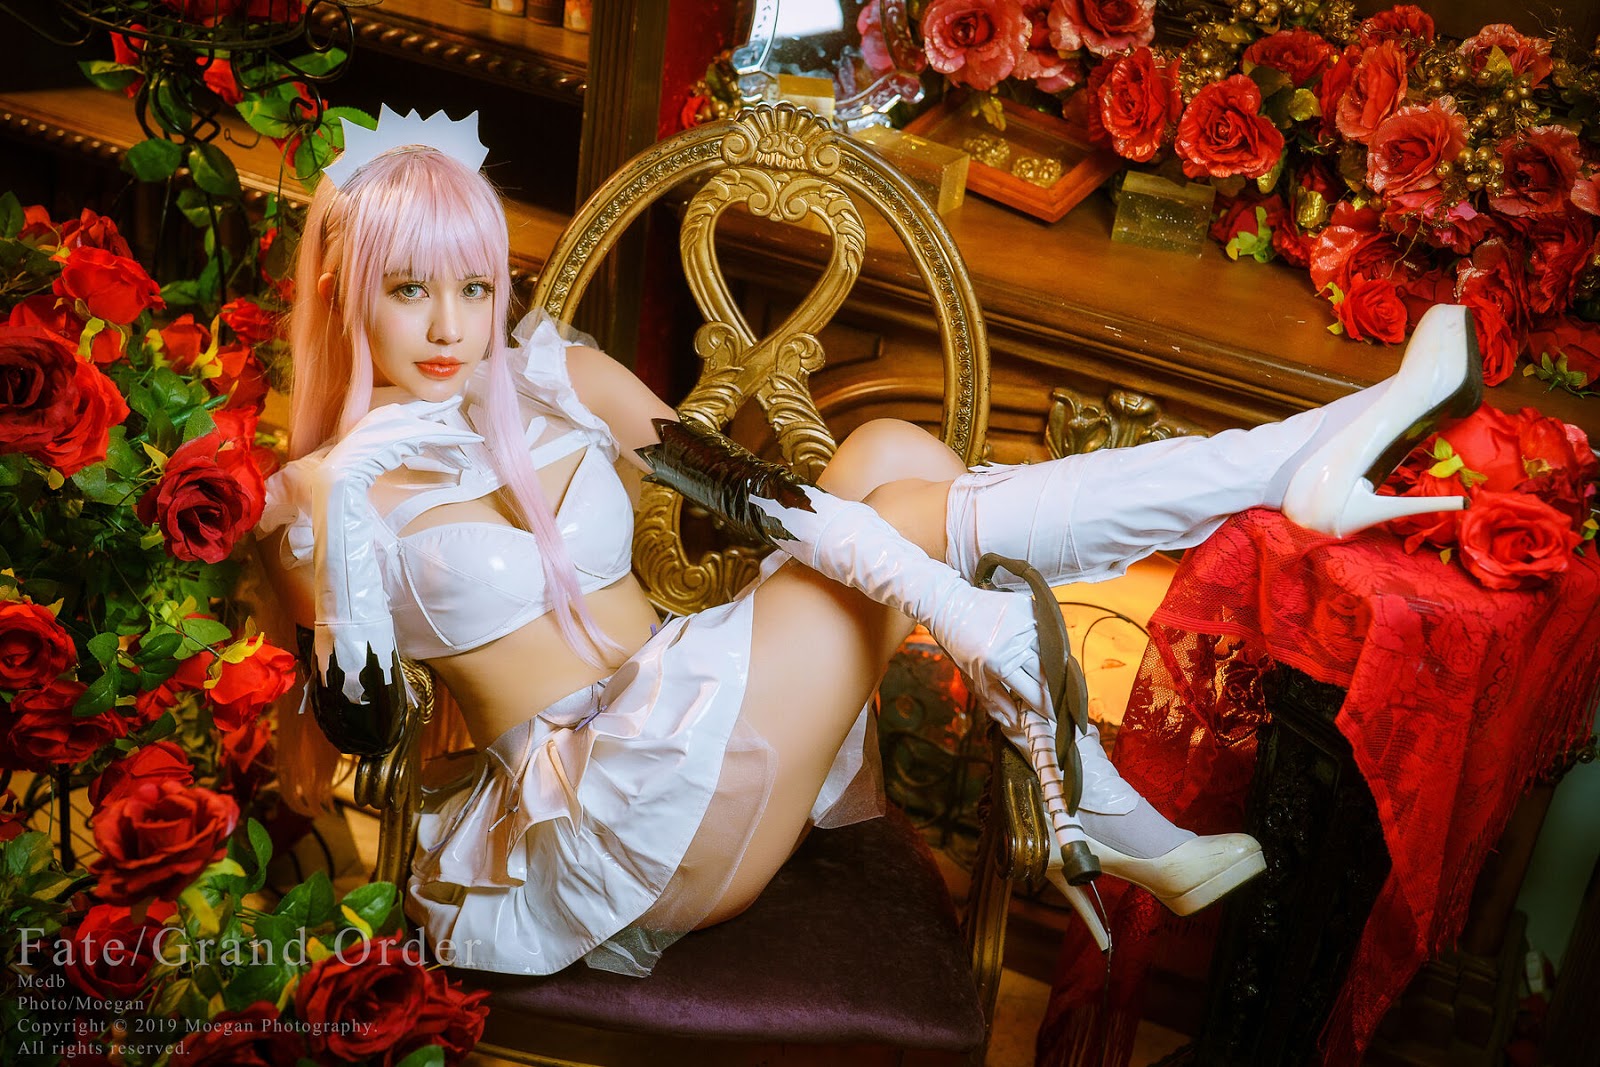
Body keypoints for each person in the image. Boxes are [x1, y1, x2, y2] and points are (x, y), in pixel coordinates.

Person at [257, 108, 1482, 977]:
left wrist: (942, 604)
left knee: (891, 451)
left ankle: (1122, 724)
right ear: (340, 292)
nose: (451, 327)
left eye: (474, 286)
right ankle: (1287, 481)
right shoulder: (310, 502)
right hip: (613, 819)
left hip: (689, 714)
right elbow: (362, 725)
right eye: (410, 289)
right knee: (900, 512)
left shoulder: (548, 374)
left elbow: (747, 493)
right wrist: (353, 497)